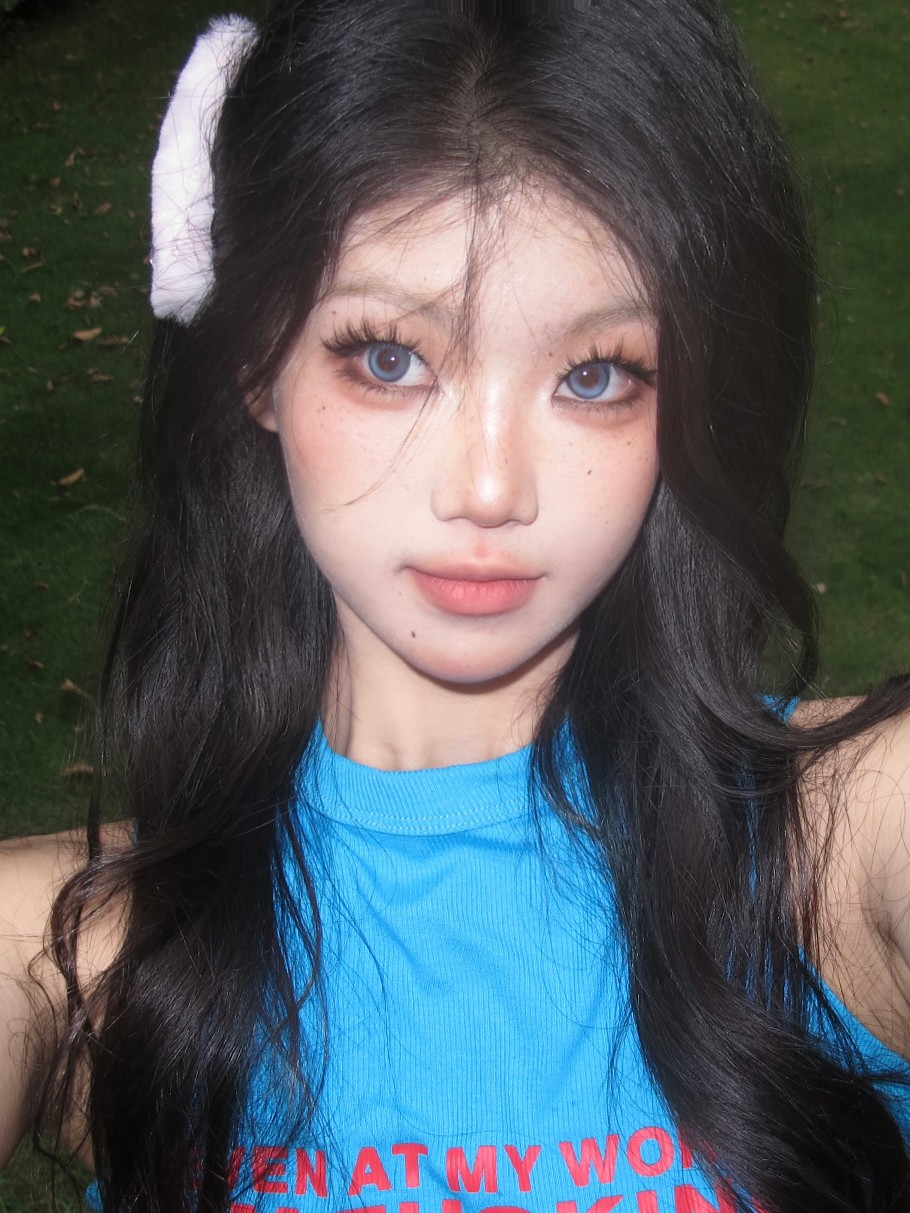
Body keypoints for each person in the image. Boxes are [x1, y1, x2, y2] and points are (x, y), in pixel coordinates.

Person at [1, 1, 909, 1210]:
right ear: (256, 359)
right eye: (389, 357)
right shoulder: (65, 956)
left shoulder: (836, 854)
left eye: (595, 375)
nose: (489, 488)